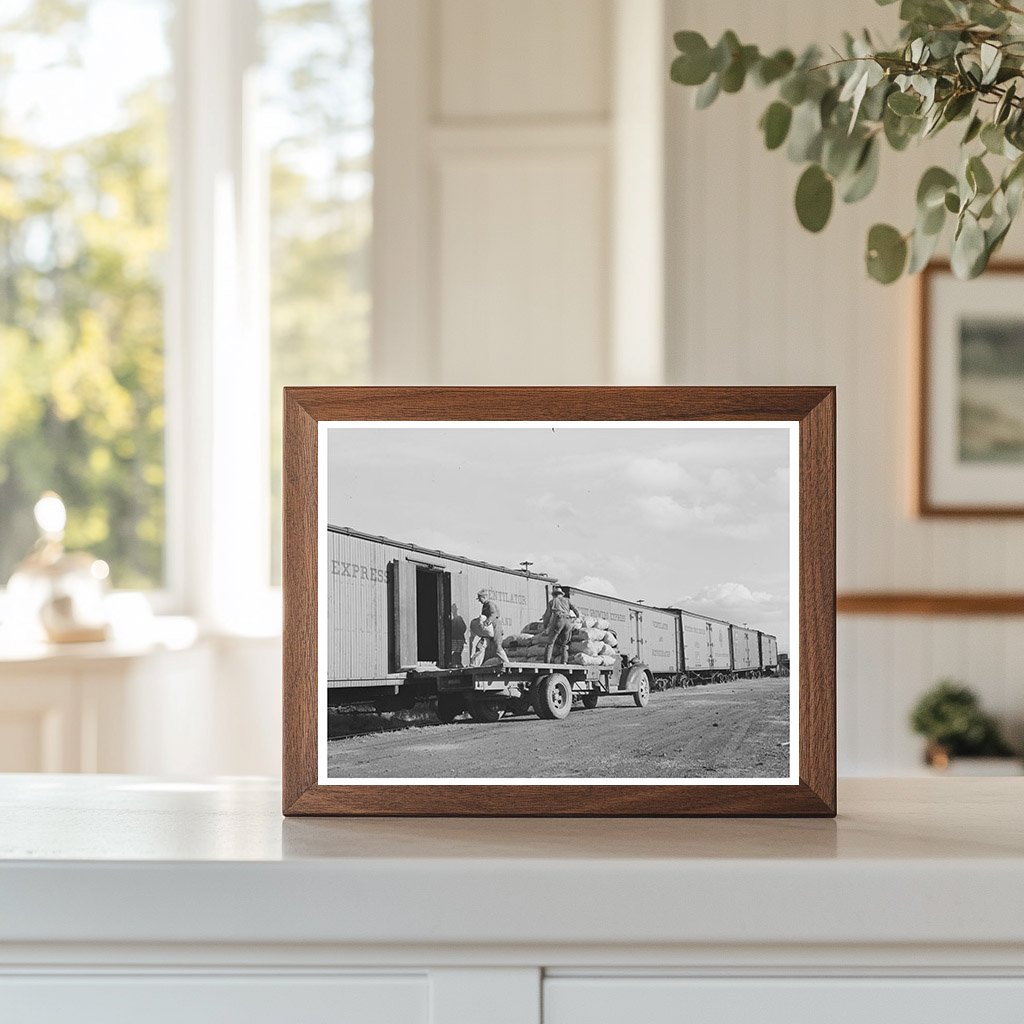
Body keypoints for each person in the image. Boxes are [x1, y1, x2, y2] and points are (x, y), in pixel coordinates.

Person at [542, 585, 580, 665]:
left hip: (559, 620)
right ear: (561, 594)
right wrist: (578, 617)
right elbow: (576, 610)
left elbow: (547, 616)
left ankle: (547, 663)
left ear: (554, 594)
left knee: (550, 642)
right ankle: (564, 662)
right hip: (568, 621)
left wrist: (545, 626)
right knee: (564, 644)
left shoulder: (552, 602)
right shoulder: (567, 600)